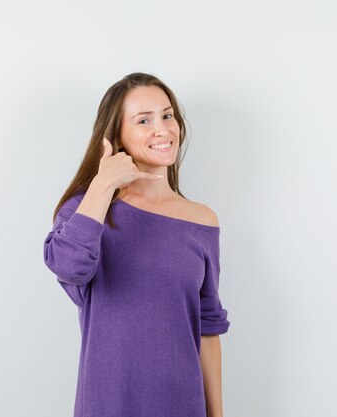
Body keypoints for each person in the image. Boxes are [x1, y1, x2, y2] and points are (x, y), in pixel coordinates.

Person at [43, 72, 231, 417]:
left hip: (183, 404)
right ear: (116, 136)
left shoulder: (202, 221)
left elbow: (207, 329)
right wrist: (103, 184)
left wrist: (217, 415)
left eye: (167, 115)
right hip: (109, 404)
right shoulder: (89, 210)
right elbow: (67, 267)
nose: (162, 129)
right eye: (144, 120)